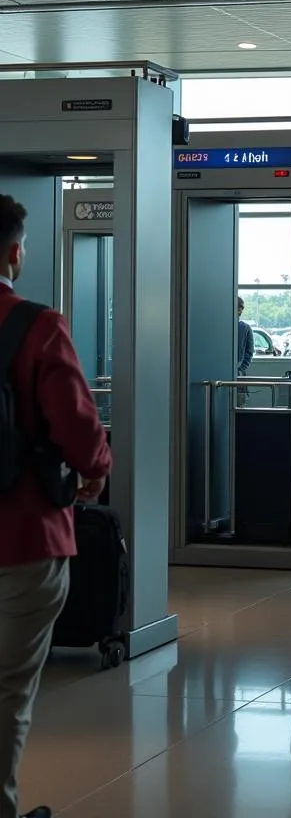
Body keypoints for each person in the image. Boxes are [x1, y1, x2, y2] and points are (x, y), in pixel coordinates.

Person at [0, 194, 111, 818]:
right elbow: (79, 429)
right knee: (7, 692)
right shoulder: (38, 326)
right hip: (24, 539)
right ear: (16, 253)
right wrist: (95, 472)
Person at [237, 296, 254, 378]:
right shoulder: (245, 328)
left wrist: (241, 369)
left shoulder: (245, 328)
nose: (240, 313)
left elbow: (249, 352)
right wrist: (241, 369)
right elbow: (249, 352)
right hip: (238, 370)